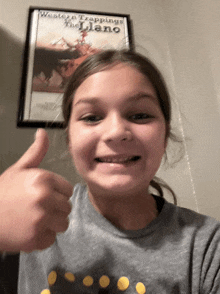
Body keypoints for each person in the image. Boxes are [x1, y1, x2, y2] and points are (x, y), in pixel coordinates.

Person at [1, 49, 220, 293]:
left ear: (165, 136)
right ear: (70, 139)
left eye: (139, 115)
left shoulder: (208, 246)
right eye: (92, 117)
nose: (116, 132)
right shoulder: (35, 216)